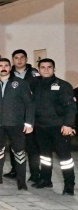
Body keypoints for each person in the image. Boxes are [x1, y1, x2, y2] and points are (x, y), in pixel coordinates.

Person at [0, 58, 35, 190]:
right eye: (0, 66)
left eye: (6, 65)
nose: (3, 68)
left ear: (10, 68)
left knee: (19, 152)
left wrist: (29, 123)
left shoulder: (20, 83)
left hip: (16, 124)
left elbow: (29, 104)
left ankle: (21, 182)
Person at [30, 59, 76, 195]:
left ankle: (69, 185)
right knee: (44, 156)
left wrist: (68, 124)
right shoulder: (35, 85)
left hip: (58, 127)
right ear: (38, 70)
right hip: (40, 127)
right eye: (42, 67)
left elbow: (70, 107)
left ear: (54, 69)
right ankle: (45, 179)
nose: (46, 69)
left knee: (65, 158)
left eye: (49, 67)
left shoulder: (63, 85)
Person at [8, 49, 41, 182]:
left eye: (22, 57)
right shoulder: (8, 75)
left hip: (30, 115)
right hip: (13, 116)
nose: (19, 60)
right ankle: (15, 170)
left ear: (26, 59)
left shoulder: (35, 74)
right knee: (14, 145)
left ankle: (34, 174)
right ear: (13, 60)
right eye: (16, 57)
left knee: (32, 146)